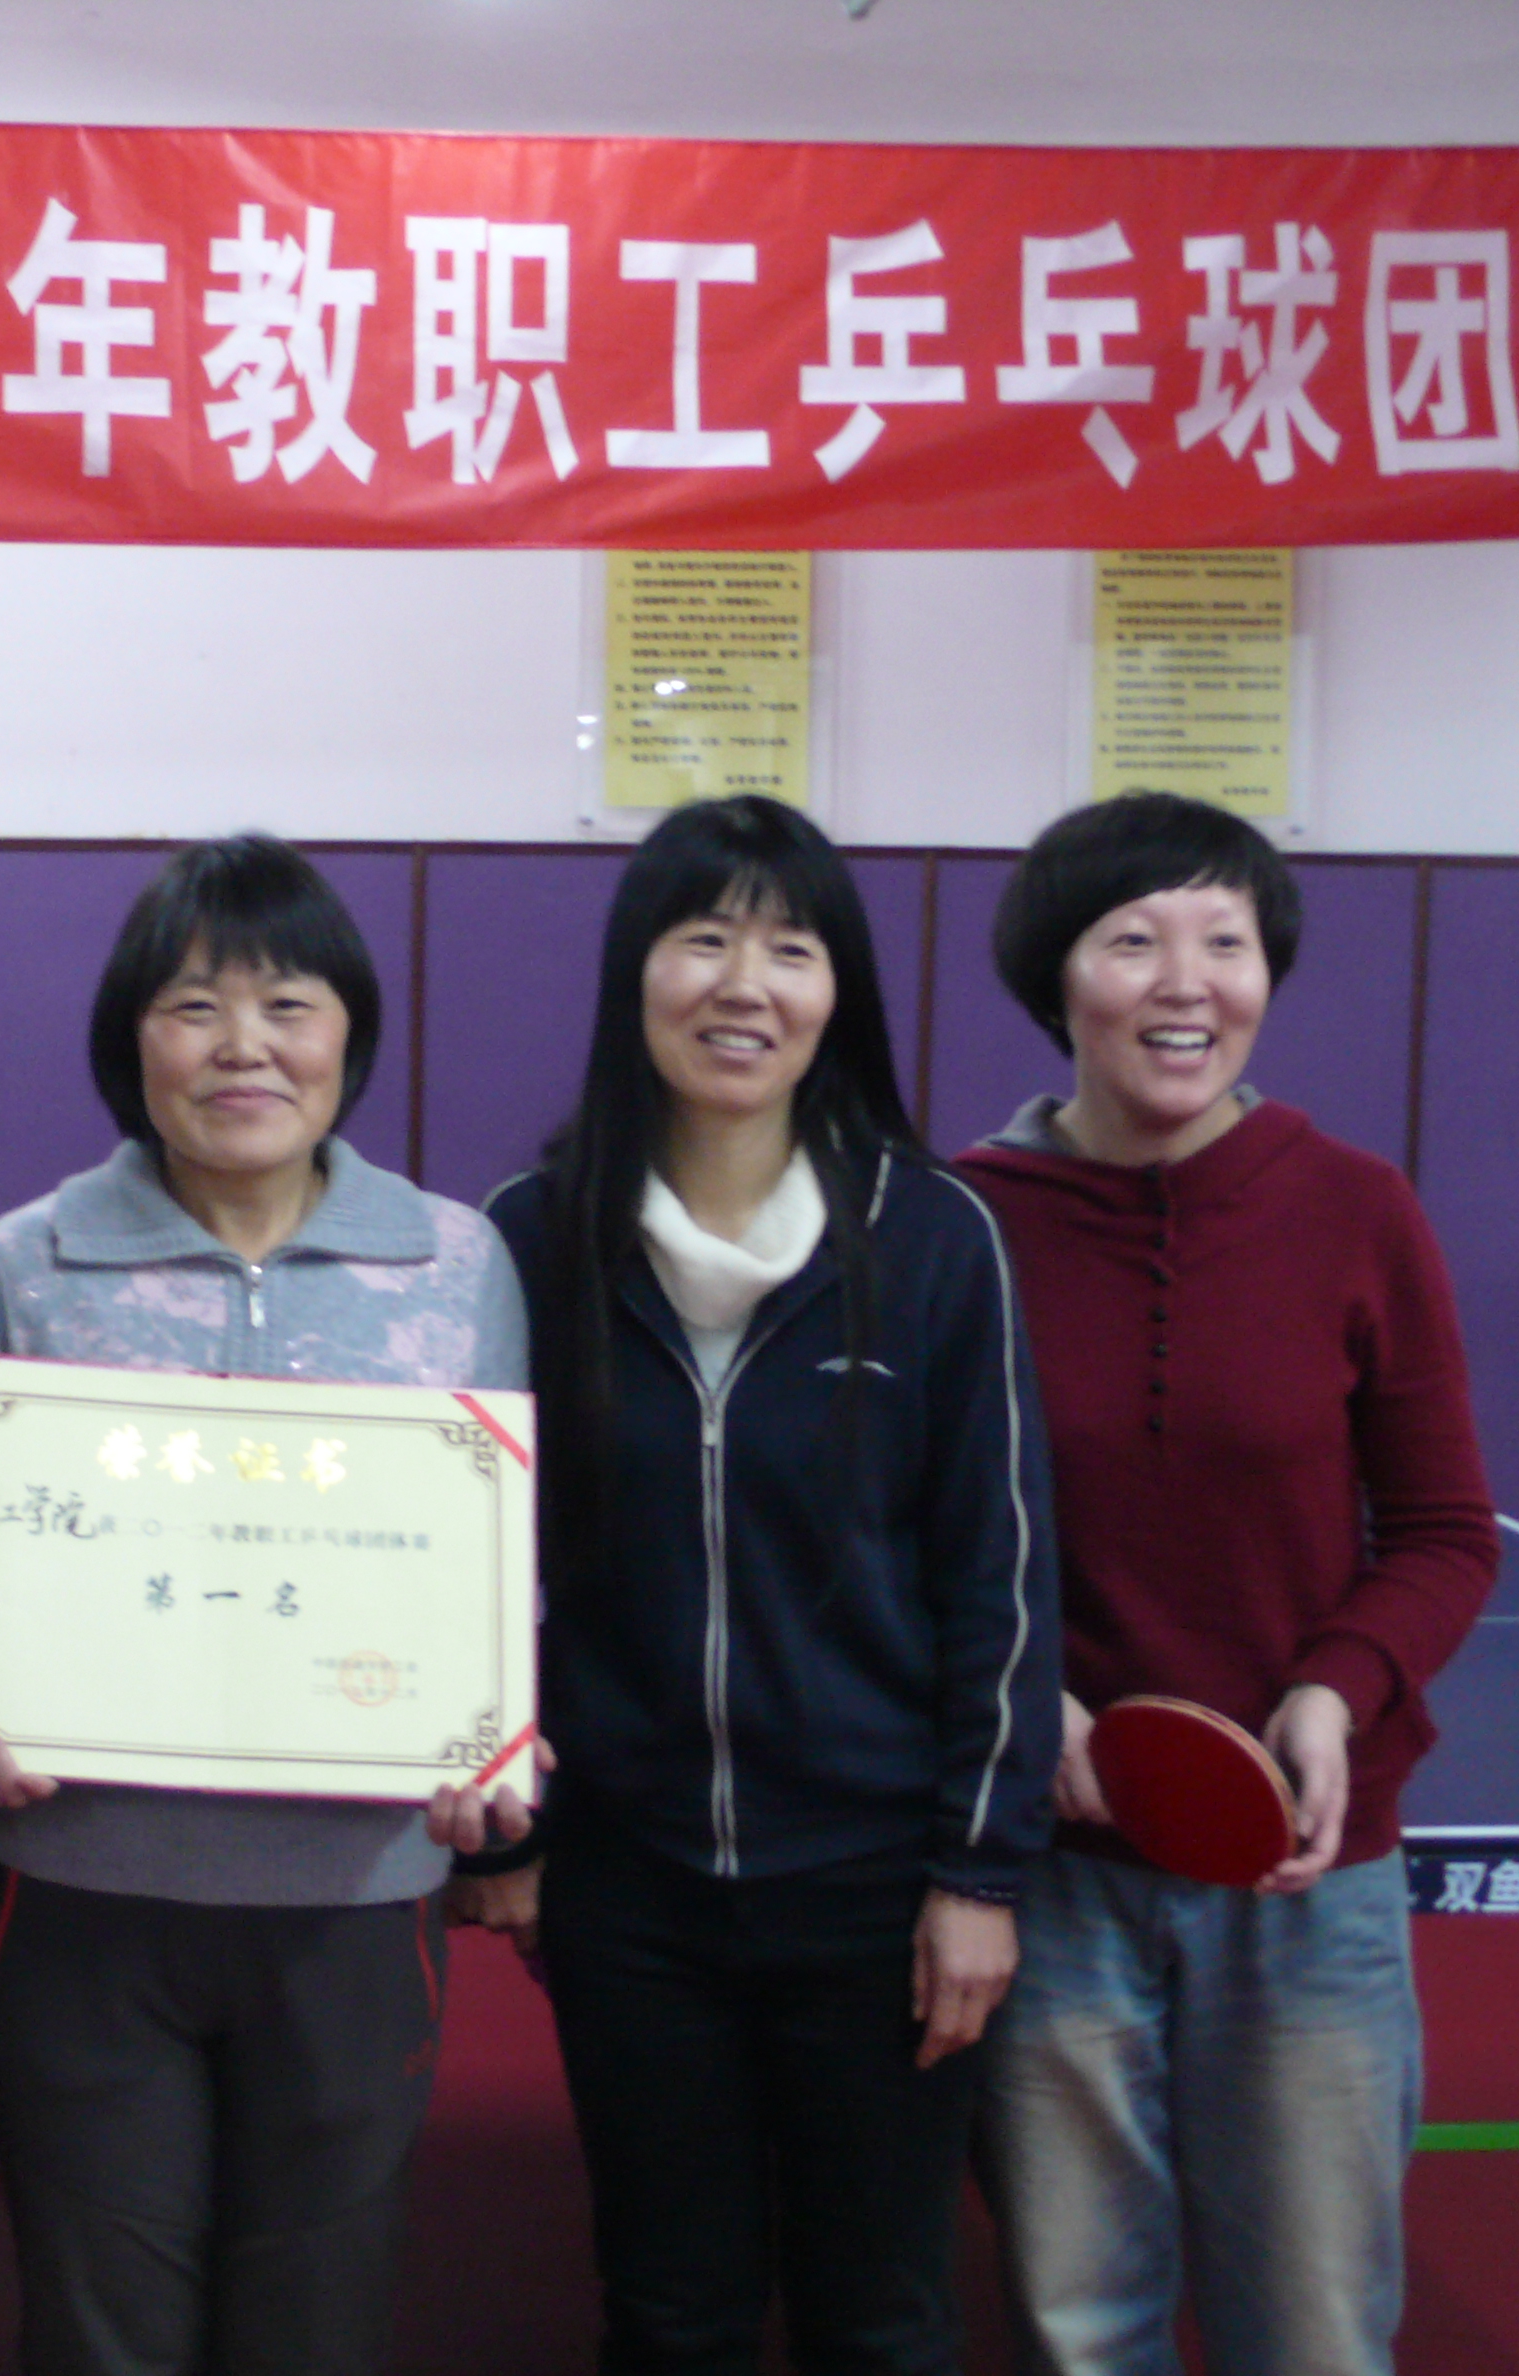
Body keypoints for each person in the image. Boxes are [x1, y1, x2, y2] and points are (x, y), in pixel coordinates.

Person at [469, 794, 1060, 2375]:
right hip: (629, 1890)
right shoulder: (529, 1239)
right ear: (636, 973)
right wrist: (512, 1831)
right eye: (704, 938)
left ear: (836, 992)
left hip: (876, 1888)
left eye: (791, 948)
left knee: (883, 2314)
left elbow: (1000, 1578)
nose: (745, 984)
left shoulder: (933, 1237)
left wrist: (979, 1877)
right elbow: (481, 1565)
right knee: (672, 2310)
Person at [0, 834, 530, 2376]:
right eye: (195, 1006)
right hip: (77, 1890)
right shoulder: (25, 1265)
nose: (244, 1046)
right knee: (100, 2327)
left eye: (288, 1004)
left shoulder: (455, 1262)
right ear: (132, 1040)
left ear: (349, 1037)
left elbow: (494, 1569)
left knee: (315, 2328)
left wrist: (496, 1739)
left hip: (356, 1898)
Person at [955, 792, 1499, 2376]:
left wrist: (1338, 1691)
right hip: (1048, 1862)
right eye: (1134, 941)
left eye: (1227, 942)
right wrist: (1023, 1700)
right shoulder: (957, 1223)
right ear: (1058, 979)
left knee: (1316, 2330)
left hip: (1308, 1873)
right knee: (1079, 2325)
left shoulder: (1357, 1209)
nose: (1186, 982)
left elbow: (1447, 1530)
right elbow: (904, 1540)